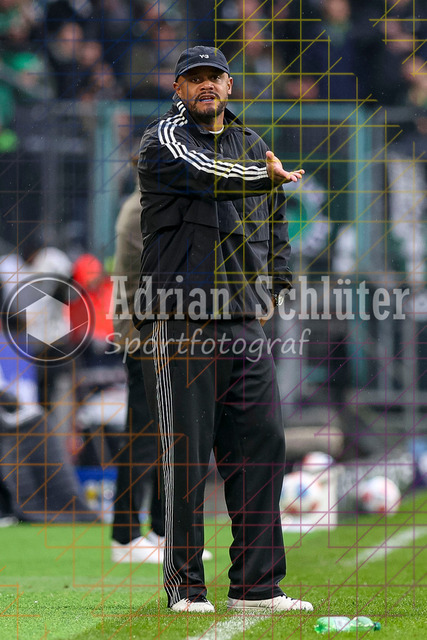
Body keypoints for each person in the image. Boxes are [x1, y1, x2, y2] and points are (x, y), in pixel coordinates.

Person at [134, 46, 313, 614]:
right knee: (186, 456)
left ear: (230, 86)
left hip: (243, 322)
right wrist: (264, 175)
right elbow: (208, 177)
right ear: (178, 89)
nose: (206, 85)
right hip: (181, 319)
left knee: (262, 447)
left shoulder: (253, 145)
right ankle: (186, 588)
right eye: (194, 79)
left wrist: (274, 289)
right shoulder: (164, 139)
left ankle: (256, 587)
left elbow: (275, 225)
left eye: (215, 77)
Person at [109, 182, 212, 564]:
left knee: (165, 436)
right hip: (144, 336)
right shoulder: (143, 207)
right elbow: (166, 269)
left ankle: (160, 531)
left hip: (155, 334)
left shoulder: (147, 203)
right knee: (142, 438)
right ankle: (124, 536)